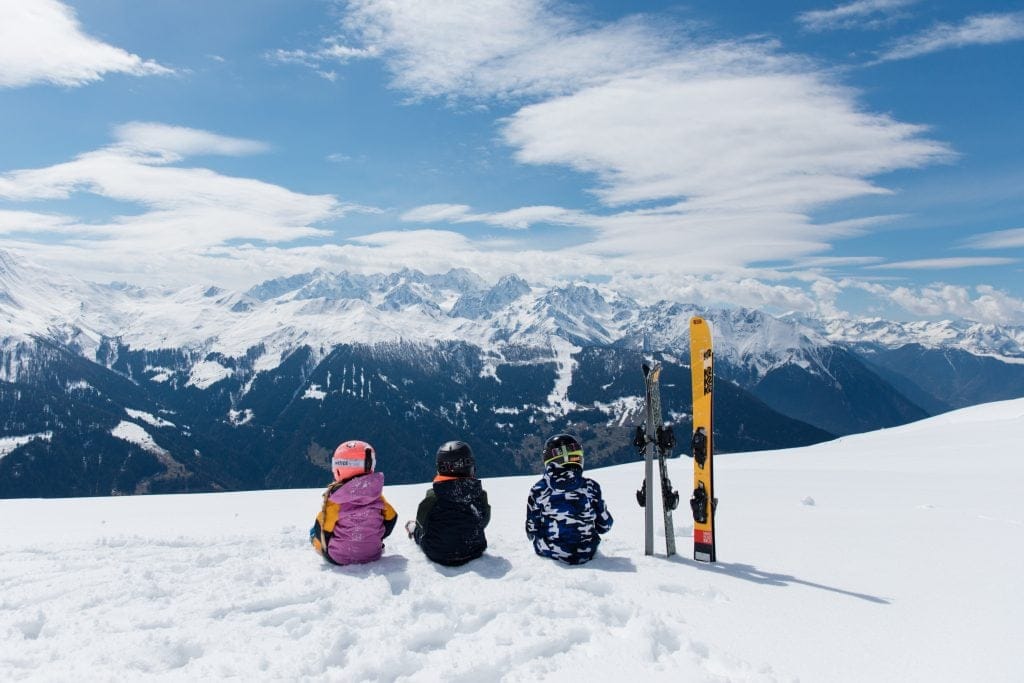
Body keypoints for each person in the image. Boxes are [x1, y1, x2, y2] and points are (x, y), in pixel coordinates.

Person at [525, 433, 613, 565]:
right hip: (586, 553)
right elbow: (605, 526)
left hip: (548, 551)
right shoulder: (591, 487)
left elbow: (532, 529)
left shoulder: (538, 490)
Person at [310, 440, 397, 565]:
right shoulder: (376, 497)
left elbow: (322, 530)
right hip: (373, 554)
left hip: (338, 558)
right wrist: (376, 536)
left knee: (313, 532)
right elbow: (392, 518)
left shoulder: (336, 500)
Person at [405, 440, 490, 566]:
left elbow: (422, 524)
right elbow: (484, 520)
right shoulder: (479, 495)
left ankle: (412, 530)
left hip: (438, 554)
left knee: (420, 533)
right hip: (474, 550)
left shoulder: (432, 497)